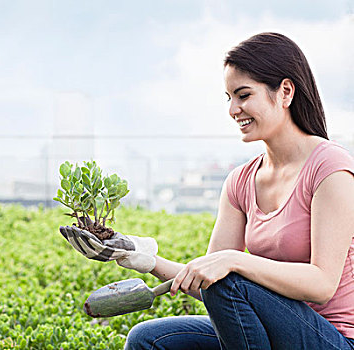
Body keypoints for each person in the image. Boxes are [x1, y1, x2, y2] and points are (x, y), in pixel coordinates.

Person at [59, 32, 354, 349]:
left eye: (243, 95)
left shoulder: (330, 167)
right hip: (266, 331)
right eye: (229, 98)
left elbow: (322, 284)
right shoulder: (240, 181)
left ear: (285, 92)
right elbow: (208, 282)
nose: (233, 109)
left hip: (331, 338)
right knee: (147, 340)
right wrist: (141, 257)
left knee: (229, 277)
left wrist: (234, 261)